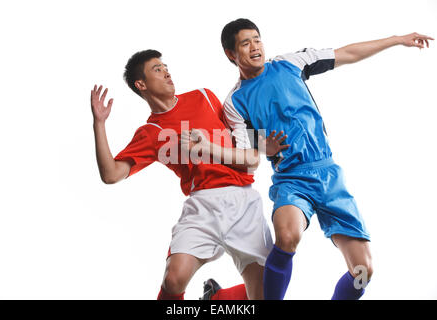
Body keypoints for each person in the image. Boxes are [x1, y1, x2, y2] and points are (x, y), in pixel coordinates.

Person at [219, 18, 433, 300]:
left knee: (363, 272)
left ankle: (219, 297)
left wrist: (396, 39)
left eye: (257, 39)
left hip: (329, 175)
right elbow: (245, 152)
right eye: (245, 43)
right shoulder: (235, 102)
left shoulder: (289, 64)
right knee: (286, 237)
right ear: (231, 54)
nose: (255, 47)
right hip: (292, 180)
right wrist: (263, 147)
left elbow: (346, 53)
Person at [90, 49, 288, 300]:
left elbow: (236, 131)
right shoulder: (151, 132)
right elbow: (111, 174)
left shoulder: (203, 96)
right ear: (141, 84)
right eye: (157, 69)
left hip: (243, 201)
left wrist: (260, 145)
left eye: (165, 66)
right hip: (202, 205)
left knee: (268, 293)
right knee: (173, 280)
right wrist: (99, 124)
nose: (166, 72)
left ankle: (217, 299)